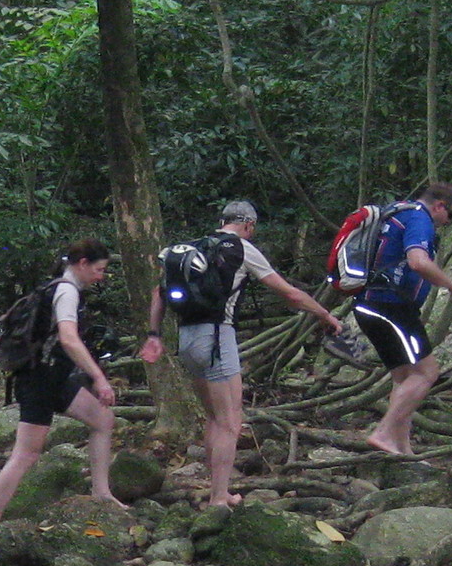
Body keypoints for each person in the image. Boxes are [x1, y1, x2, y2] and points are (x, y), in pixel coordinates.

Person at [138, 200, 344, 508]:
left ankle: (216, 491)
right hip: (218, 337)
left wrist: (154, 335)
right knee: (230, 422)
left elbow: (158, 293)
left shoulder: (191, 248)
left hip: (187, 338)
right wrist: (325, 315)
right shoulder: (242, 249)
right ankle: (219, 497)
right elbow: (288, 293)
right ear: (248, 225)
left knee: (213, 418)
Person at [0, 236, 125, 534]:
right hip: (38, 380)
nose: (101, 276)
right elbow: (69, 339)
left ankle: (102, 493)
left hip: (56, 377)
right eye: (98, 269)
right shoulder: (65, 292)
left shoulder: (57, 289)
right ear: (82, 264)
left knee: (103, 420)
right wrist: (98, 378)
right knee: (27, 454)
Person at [353, 179, 452, 458]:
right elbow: (418, 261)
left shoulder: (397, 211)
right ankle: (383, 433)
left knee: (404, 377)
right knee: (428, 372)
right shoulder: (419, 218)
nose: (448, 222)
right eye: (450, 215)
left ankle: (402, 449)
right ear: (439, 206)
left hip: (368, 305)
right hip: (391, 306)